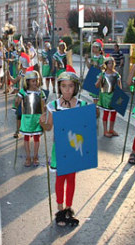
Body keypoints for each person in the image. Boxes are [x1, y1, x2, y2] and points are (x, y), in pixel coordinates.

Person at [39, 67, 84, 227]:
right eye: (64, 86)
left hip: (74, 147)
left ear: (75, 87)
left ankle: (68, 208)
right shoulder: (53, 105)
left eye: (70, 86)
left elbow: (86, 126)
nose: (67, 89)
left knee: (71, 178)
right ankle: (59, 208)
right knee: (60, 178)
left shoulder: (81, 104)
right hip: (59, 148)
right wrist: (42, 121)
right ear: (59, 87)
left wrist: (96, 112)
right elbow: (49, 127)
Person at [15, 70, 45, 167]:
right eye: (33, 81)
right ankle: (28, 157)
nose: (35, 83)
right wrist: (18, 98)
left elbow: (43, 107)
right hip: (27, 118)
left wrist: (44, 117)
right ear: (27, 82)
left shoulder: (40, 93)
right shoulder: (24, 92)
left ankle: (35, 156)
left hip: (37, 118)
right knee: (26, 137)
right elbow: (17, 103)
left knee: (37, 138)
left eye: (36, 81)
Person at [7, 44, 31, 139]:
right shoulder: (21, 73)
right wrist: (9, 76)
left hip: (29, 96)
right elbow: (14, 81)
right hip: (21, 96)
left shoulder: (31, 73)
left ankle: (28, 130)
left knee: (28, 115)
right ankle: (17, 131)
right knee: (19, 115)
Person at [95, 56, 122, 138]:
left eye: (112, 63)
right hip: (105, 96)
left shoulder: (116, 74)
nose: (111, 64)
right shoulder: (102, 74)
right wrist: (99, 80)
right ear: (106, 64)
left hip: (114, 95)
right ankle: (105, 130)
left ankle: (111, 129)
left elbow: (119, 86)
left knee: (113, 113)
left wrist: (120, 95)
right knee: (106, 113)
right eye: (109, 63)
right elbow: (96, 86)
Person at [85, 39, 105, 117]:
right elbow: (90, 67)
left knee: (98, 96)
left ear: (99, 49)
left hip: (99, 77)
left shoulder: (102, 58)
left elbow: (102, 68)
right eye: (93, 47)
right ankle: (96, 110)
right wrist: (86, 60)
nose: (94, 49)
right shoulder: (93, 57)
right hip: (93, 76)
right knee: (94, 97)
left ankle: (97, 110)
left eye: (96, 47)